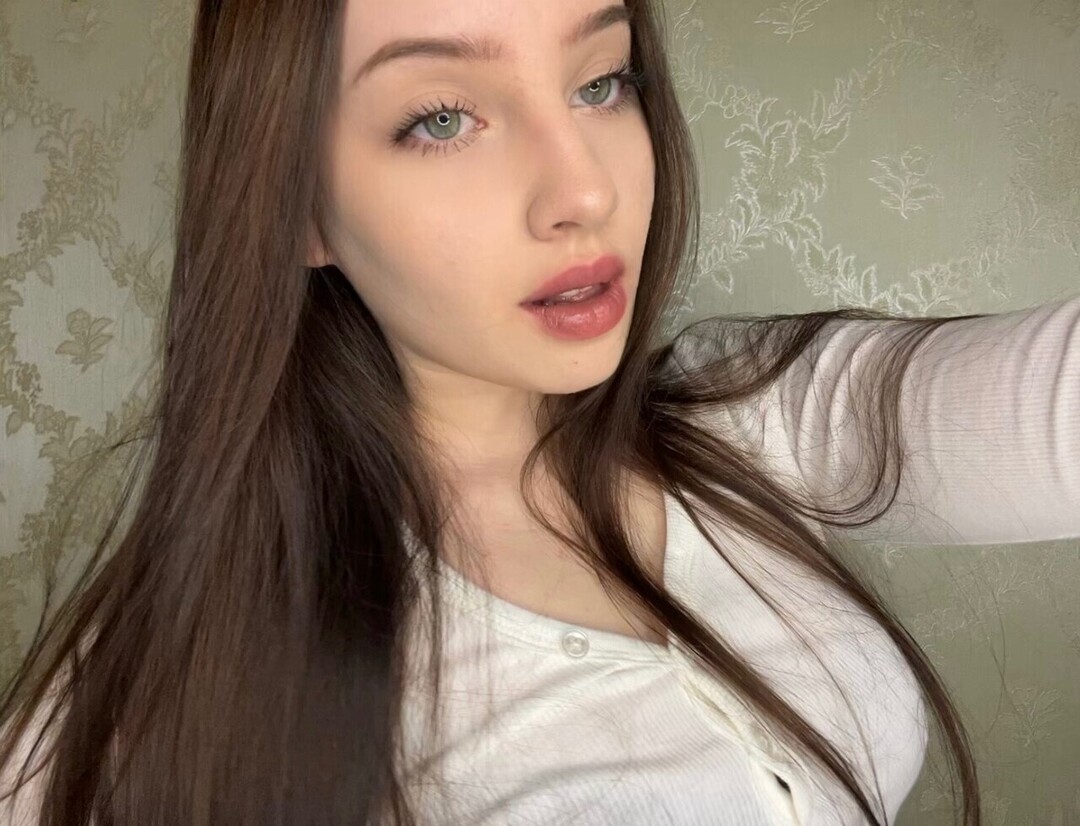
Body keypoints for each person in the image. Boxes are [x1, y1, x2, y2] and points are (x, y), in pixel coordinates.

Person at [0, 0, 1076, 823]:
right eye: (441, 118)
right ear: (294, 203)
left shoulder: (754, 416)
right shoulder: (175, 677)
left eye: (601, 82)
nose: (583, 192)